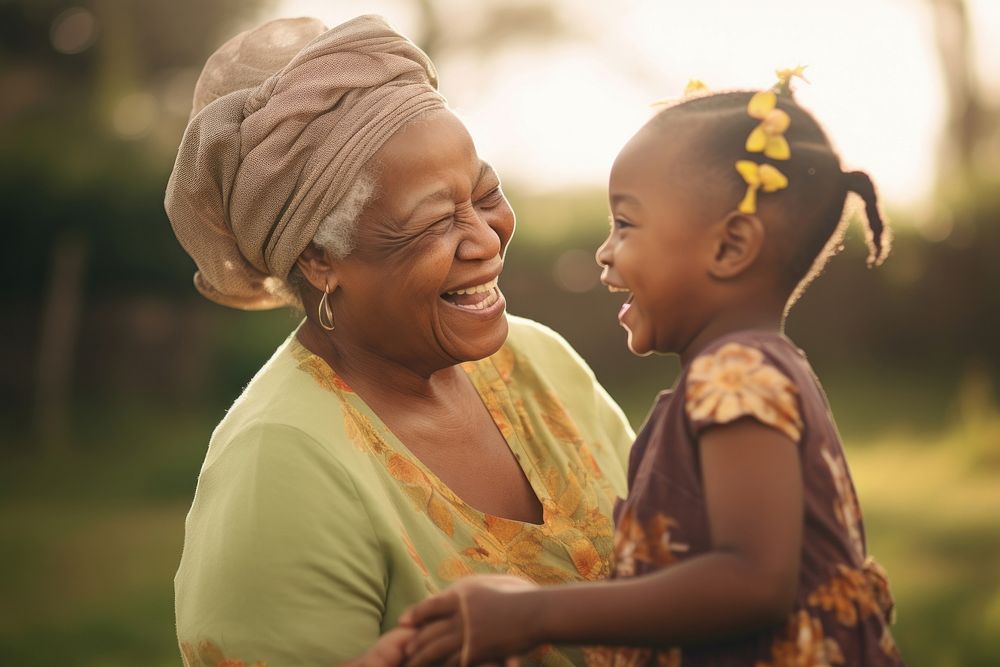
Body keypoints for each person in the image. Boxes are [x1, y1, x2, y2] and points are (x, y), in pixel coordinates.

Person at [164, 15, 633, 667]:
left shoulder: (536, 360)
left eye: (485, 193)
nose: (487, 237)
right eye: (435, 221)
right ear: (321, 259)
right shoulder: (283, 462)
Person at [402, 70, 904, 666]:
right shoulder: (757, 369)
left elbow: (753, 582)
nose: (604, 250)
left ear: (730, 246)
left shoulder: (735, 374)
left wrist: (534, 614)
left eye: (626, 225)